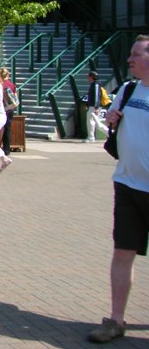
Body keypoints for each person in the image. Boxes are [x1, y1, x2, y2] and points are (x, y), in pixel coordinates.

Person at [88, 35, 149, 343]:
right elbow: (117, 128)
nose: (130, 60)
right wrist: (112, 119)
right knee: (122, 252)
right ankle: (116, 319)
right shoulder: (128, 90)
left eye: (136, 54)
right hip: (126, 184)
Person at [85, 70, 109, 143]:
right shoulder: (94, 84)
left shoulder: (95, 85)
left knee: (92, 122)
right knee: (96, 123)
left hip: (94, 107)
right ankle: (111, 134)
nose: (87, 78)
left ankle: (91, 137)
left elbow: (96, 96)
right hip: (93, 106)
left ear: (92, 77)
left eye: (88, 77)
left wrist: (96, 107)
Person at [0, 67, 18, 154]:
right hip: (10, 109)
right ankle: (7, 149)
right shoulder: (12, 85)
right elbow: (16, 99)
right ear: (8, 75)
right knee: (8, 128)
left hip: (1, 109)